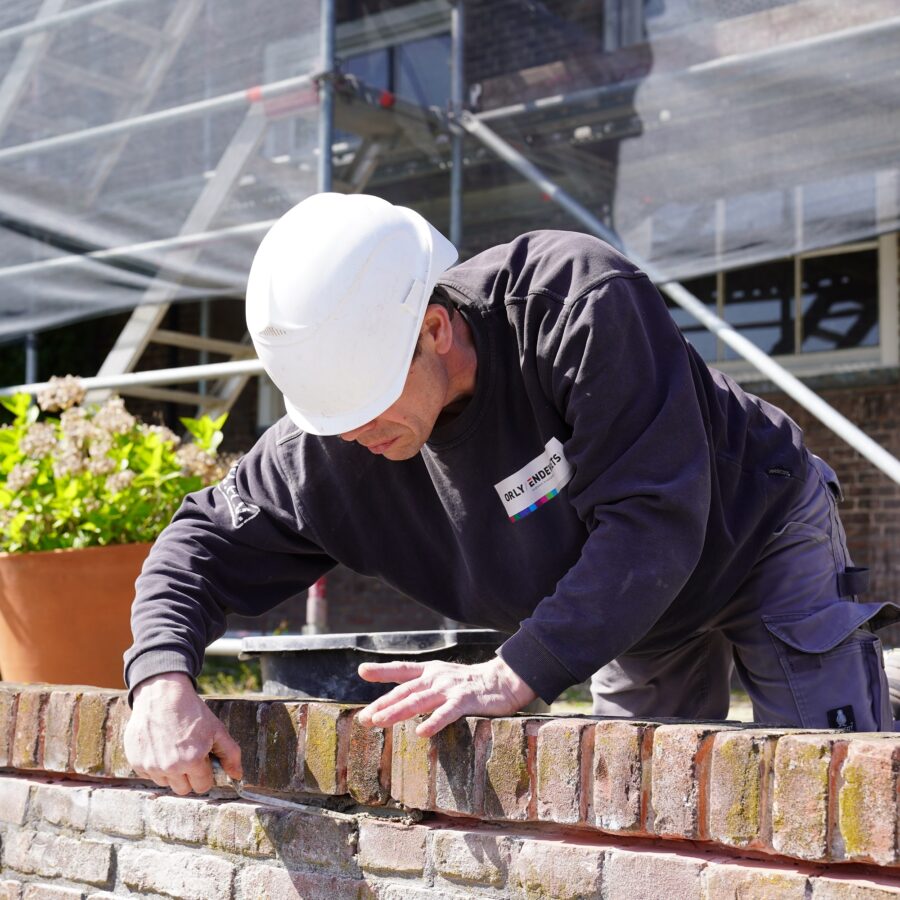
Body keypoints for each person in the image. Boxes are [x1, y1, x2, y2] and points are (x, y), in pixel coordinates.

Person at [124, 192, 896, 796]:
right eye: (336, 413)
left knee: (833, 773)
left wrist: (513, 670)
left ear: (433, 329)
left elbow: (653, 520)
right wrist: (159, 679)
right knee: (648, 802)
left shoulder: (575, 302)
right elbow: (199, 547)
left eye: (369, 397)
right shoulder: (329, 446)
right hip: (630, 610)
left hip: (756, 533)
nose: (356, 429)